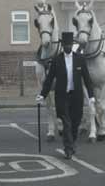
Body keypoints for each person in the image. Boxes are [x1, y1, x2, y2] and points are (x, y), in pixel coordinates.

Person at [36, 32, 95, 160]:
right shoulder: (57, 60)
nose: (68, 47)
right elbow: (49, 79)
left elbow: (87, 79)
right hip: (62, 96)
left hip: (76, 96)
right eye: (65, 45)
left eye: (69, 44)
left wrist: (91, 96)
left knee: (75, 122)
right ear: (62, 46)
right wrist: (42, 95)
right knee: (66, 123)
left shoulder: (80, 59)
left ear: (71, 45)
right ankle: (68, 148)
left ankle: (72, 142)